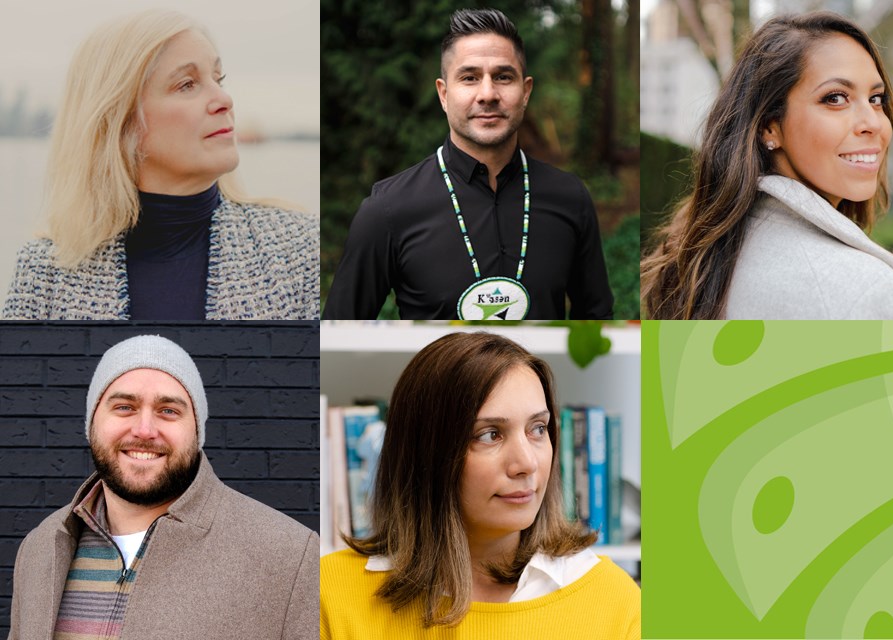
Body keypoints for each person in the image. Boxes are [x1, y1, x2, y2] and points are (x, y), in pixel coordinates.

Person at [2, 10, 319, 320]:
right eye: (187, 84)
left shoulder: (299, 249)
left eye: (219, 78)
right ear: (120, 121)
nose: (224, 98)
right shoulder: (44, 274)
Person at [320, 332, 640, 638]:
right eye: (490, 434)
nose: (527, 463)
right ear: (426, 454)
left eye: (538, 429)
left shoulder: (616, 601)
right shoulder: (328, 594)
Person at [641, 11, 893, 320]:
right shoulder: (872, 295)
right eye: (836, 98)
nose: (874, 122)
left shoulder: (698, 261)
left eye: (876, 98)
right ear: (769, 126)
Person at [7, 335, 319, 639]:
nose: (144, 430)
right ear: (92, 424)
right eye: (124, 407)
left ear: (197, 431)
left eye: (168, 411)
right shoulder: (41, 547)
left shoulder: (290, 556)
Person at [322, 9, 614, 320]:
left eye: (503, 77)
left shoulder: (570, 198)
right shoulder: (388, 209)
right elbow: (337, 342)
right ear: (444, 94)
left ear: (525, 91)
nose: (487, 94)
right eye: (469, 78)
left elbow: (597, 328)